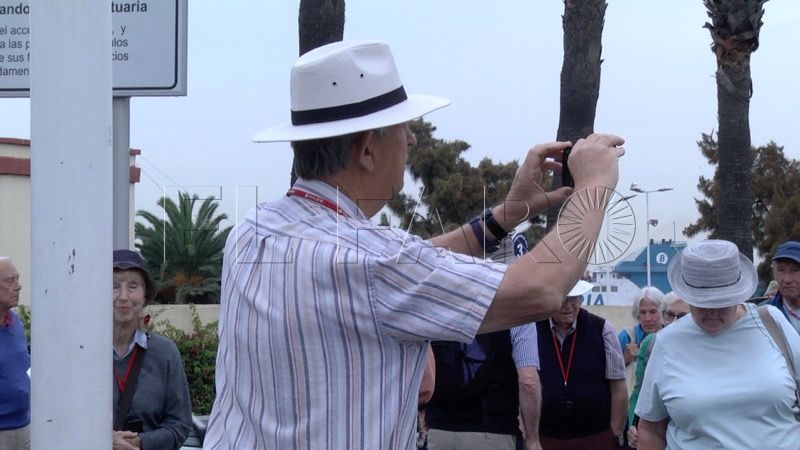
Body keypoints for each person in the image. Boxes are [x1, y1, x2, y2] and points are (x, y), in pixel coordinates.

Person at [203, 39, 625, 450]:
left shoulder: (254, 229)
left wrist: (504, 217)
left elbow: (404, 267)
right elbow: (542, 289)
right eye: (403, 128)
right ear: (367, 149)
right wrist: (593, 185)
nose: (412, 140)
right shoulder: (370, 264)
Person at [636, 240, 800, 449]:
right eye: (702, 303)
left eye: (721, 302)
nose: (712, 311)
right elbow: (650, 429)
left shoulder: (772, 322)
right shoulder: (667, 342)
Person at [112, 250, 193, 450]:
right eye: (113, 286)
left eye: (133, 286)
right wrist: (103, 439)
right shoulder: (81, 353)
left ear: (145, 296)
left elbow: (180, 425)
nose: (123, 297)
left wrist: (141, 443)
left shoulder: (165, 353)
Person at [536, 280, 628, 449]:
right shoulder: (532, 329)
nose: (568, 306)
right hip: (544, 437)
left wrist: (614, 433)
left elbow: (618, 385)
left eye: (574, 299)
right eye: (563, 299)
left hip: (596, 437)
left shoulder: (602, 329)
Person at [625, 293, 689, 448]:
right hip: (656, 432)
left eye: (681, 316)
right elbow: (640, 391)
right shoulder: (652, 343)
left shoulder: (702, 346)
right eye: (669, 315)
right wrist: (633, 425)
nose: (674, 321)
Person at [0, 257, 30, 450]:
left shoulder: (15, 322)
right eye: (10, 281)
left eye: (17, 279)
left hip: (25, 424)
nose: (18, 287)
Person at [762, 240, 800, 334]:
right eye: (781, 270)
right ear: (774, 273)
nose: (787, 280)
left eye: (795, 270)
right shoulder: (764, 315)